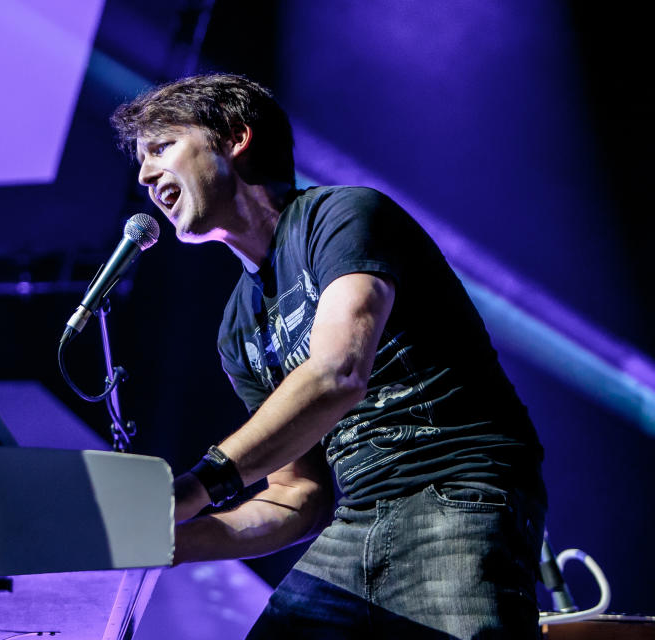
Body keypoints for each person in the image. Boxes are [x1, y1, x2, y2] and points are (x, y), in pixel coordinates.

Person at [111, 73, 547, 639]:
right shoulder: (238, 326)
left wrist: (190, 491)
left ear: (235, 138)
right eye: (142, 160)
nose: (145, 174)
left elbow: (338, 373)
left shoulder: (342, 216)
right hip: (356, 520)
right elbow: (298, 497)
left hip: (456, 490)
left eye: (162, 147)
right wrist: (162, 539)